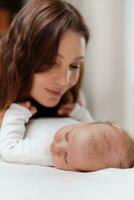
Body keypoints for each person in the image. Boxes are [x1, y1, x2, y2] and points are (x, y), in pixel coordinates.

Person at [0, 0, 93, 125]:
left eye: (74, 65)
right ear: (23, 53)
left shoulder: (74, 99)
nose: (64, 81)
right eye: (51, 63)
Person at [0, 102, 134, 172]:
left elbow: (9, 149)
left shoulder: (42, 153)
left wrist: (17, 114)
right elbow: (87, 121)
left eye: (66, 158)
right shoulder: (85, 132)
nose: (57, 147)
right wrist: (77, 111)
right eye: (67, 137)